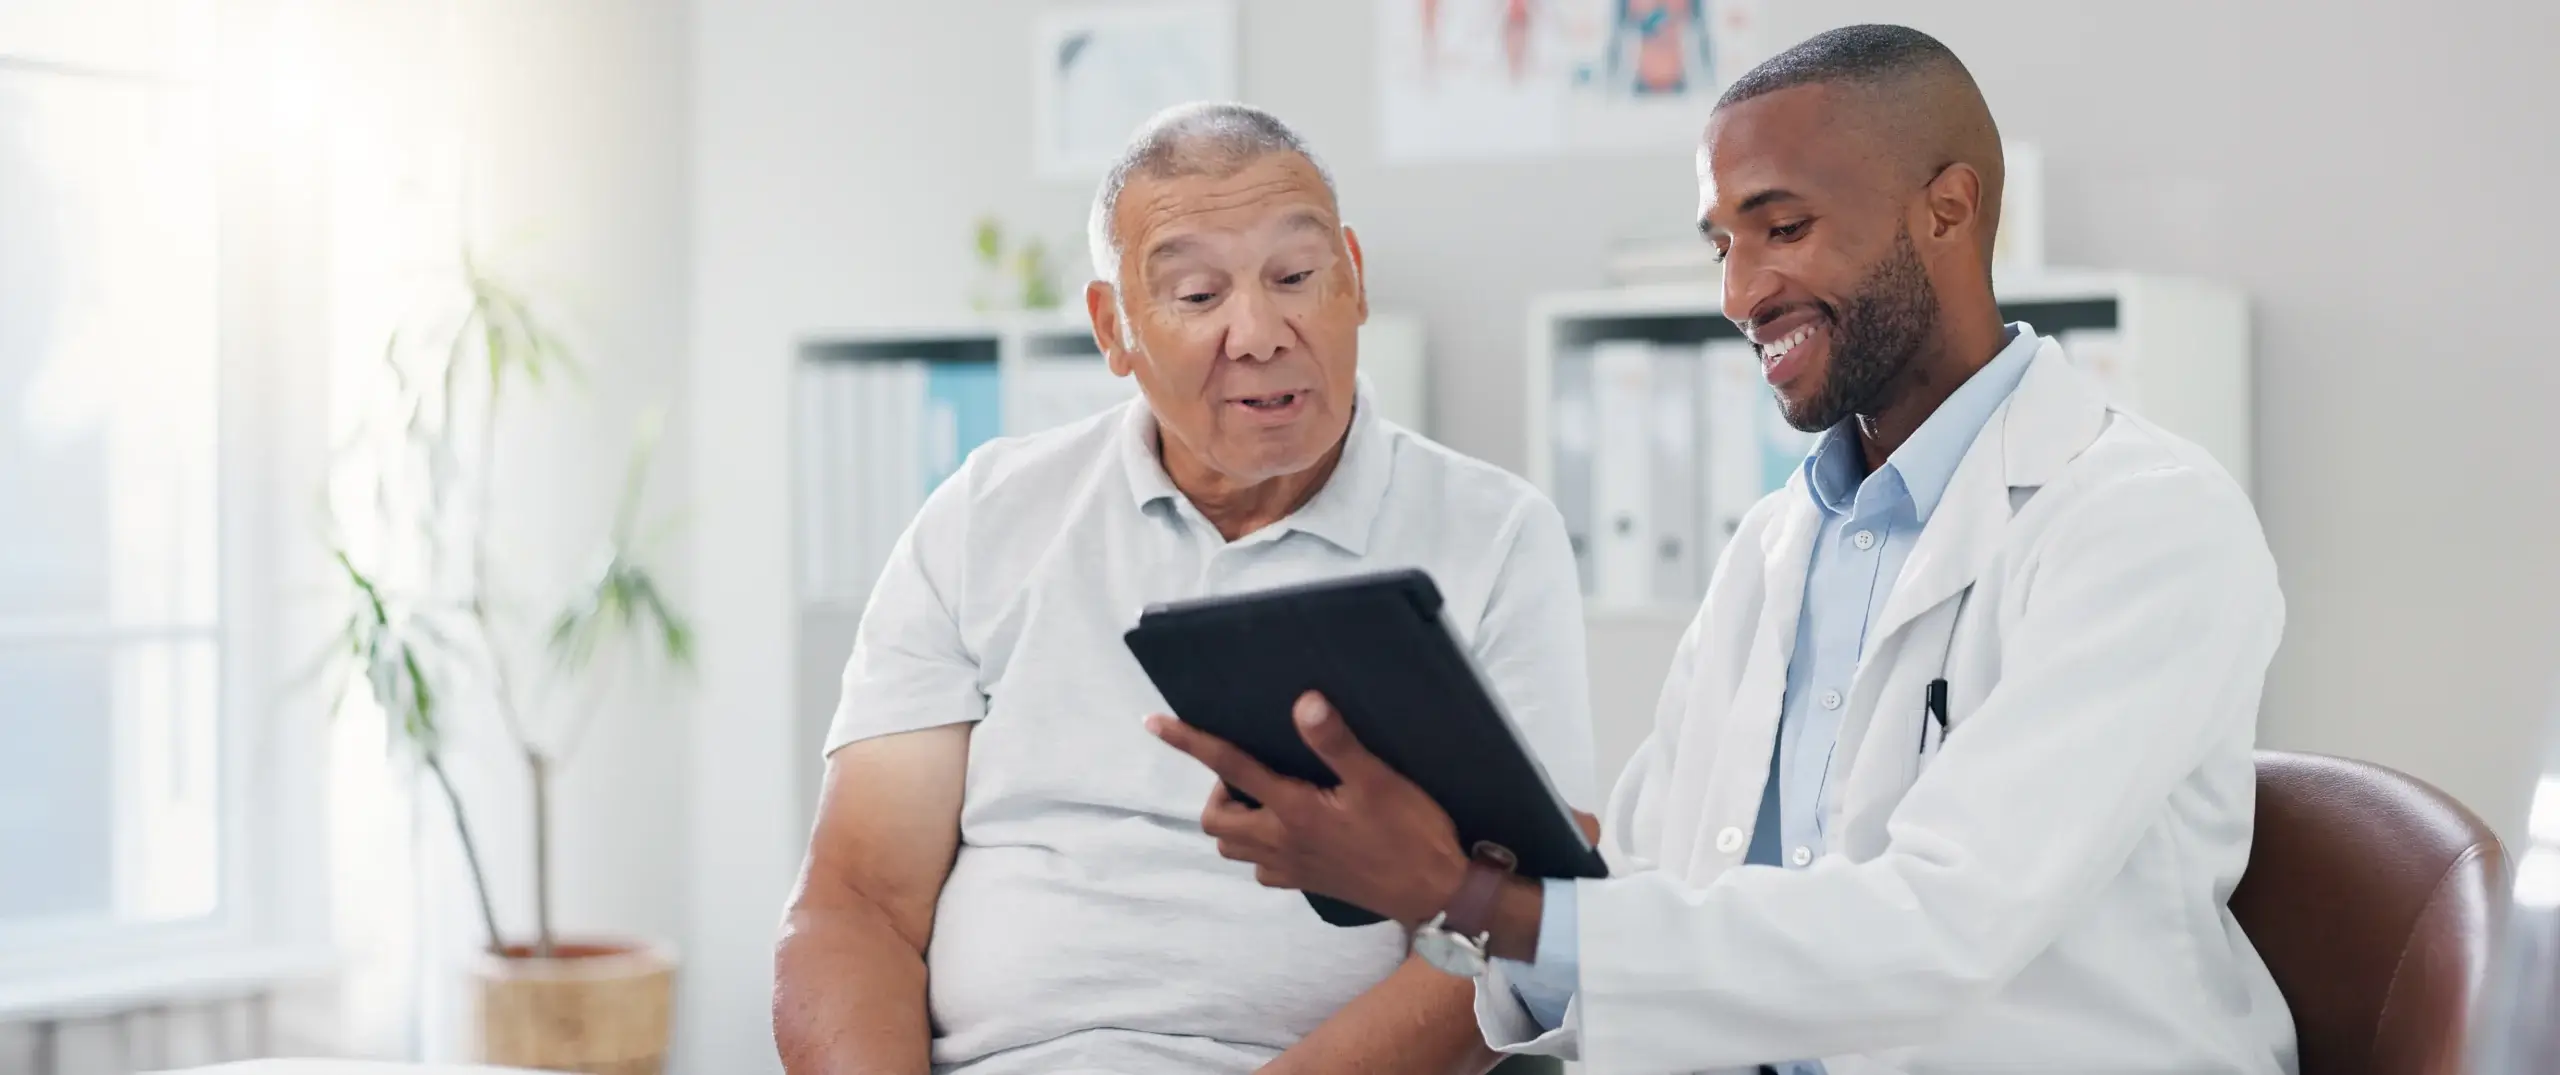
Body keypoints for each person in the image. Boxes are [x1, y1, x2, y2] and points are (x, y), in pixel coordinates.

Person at [1148, 25, 2297, 1074]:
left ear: (1947, 211)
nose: (1742, 293)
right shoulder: (1773, 546)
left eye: (1783, 229)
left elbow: (1940, 932)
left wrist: (1471, 897)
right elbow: (1659, 897)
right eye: (1721, 246)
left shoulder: (2144, 522)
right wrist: (1460, 881)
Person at [774, 102, 1597, 1075]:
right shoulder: (983, 517)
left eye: (1295, 276)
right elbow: (858, 902)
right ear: (1111, 328)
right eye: (1198, 294)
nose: (1258, 333)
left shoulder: (1494, 534)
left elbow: (1521, 920)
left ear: (1354, 279)